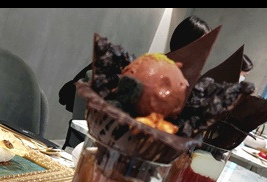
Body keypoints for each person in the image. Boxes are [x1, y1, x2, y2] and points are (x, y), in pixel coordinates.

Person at [59, 15, 211, 113]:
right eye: (202, 47)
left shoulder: (190, 83)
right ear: (186, 44)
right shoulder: (151, 70)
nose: (205, 54)